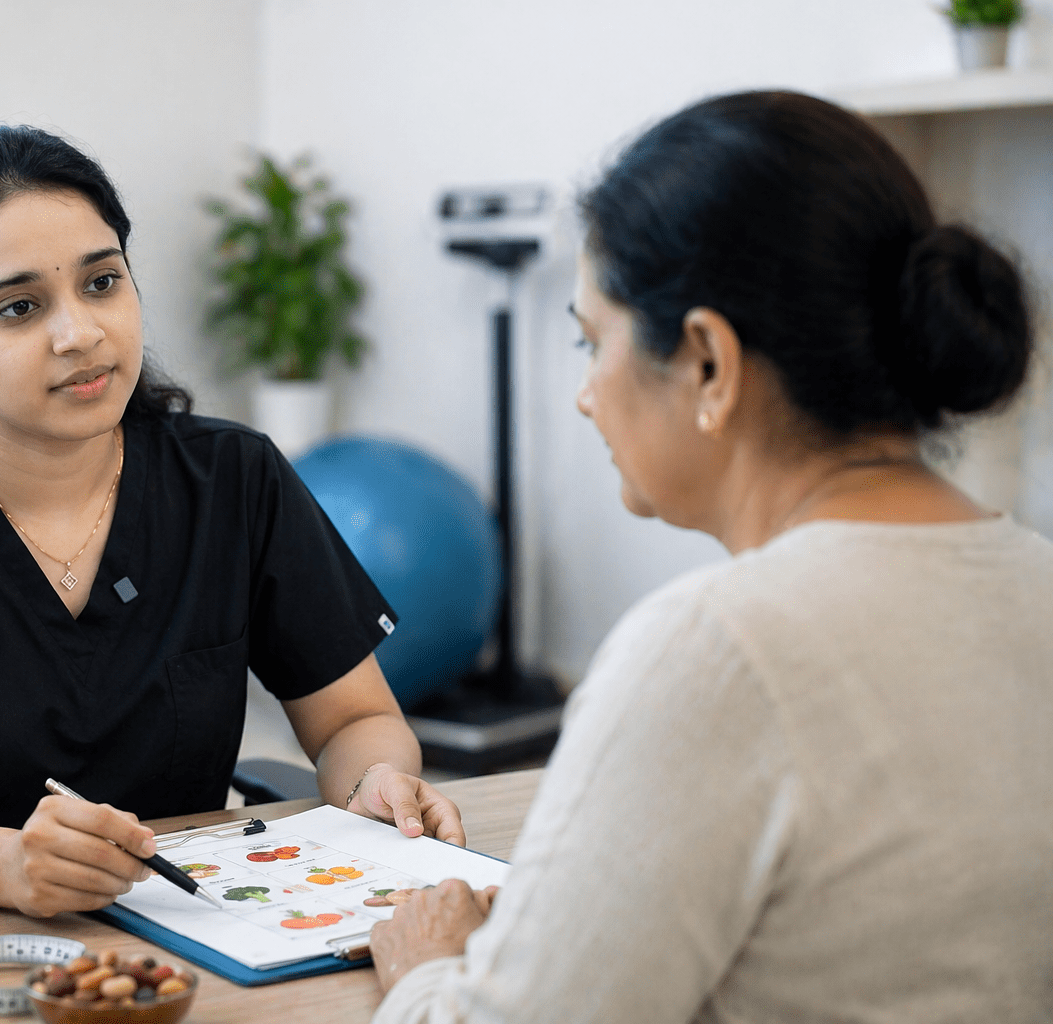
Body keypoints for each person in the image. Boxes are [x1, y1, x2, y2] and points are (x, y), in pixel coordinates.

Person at [370, 90, 1053, 1022]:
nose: (584, 396)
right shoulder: (1036, 579)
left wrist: (425, 968)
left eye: (592, 340)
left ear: (707, 363)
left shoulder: (716, 648)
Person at [0, 125, 463, 918]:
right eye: (20, 307)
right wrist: (6, 867)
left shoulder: (233, 479)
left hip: (194, 927)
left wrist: (372, 786)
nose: (81, 333)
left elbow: (355, 721)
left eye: (102, 283)